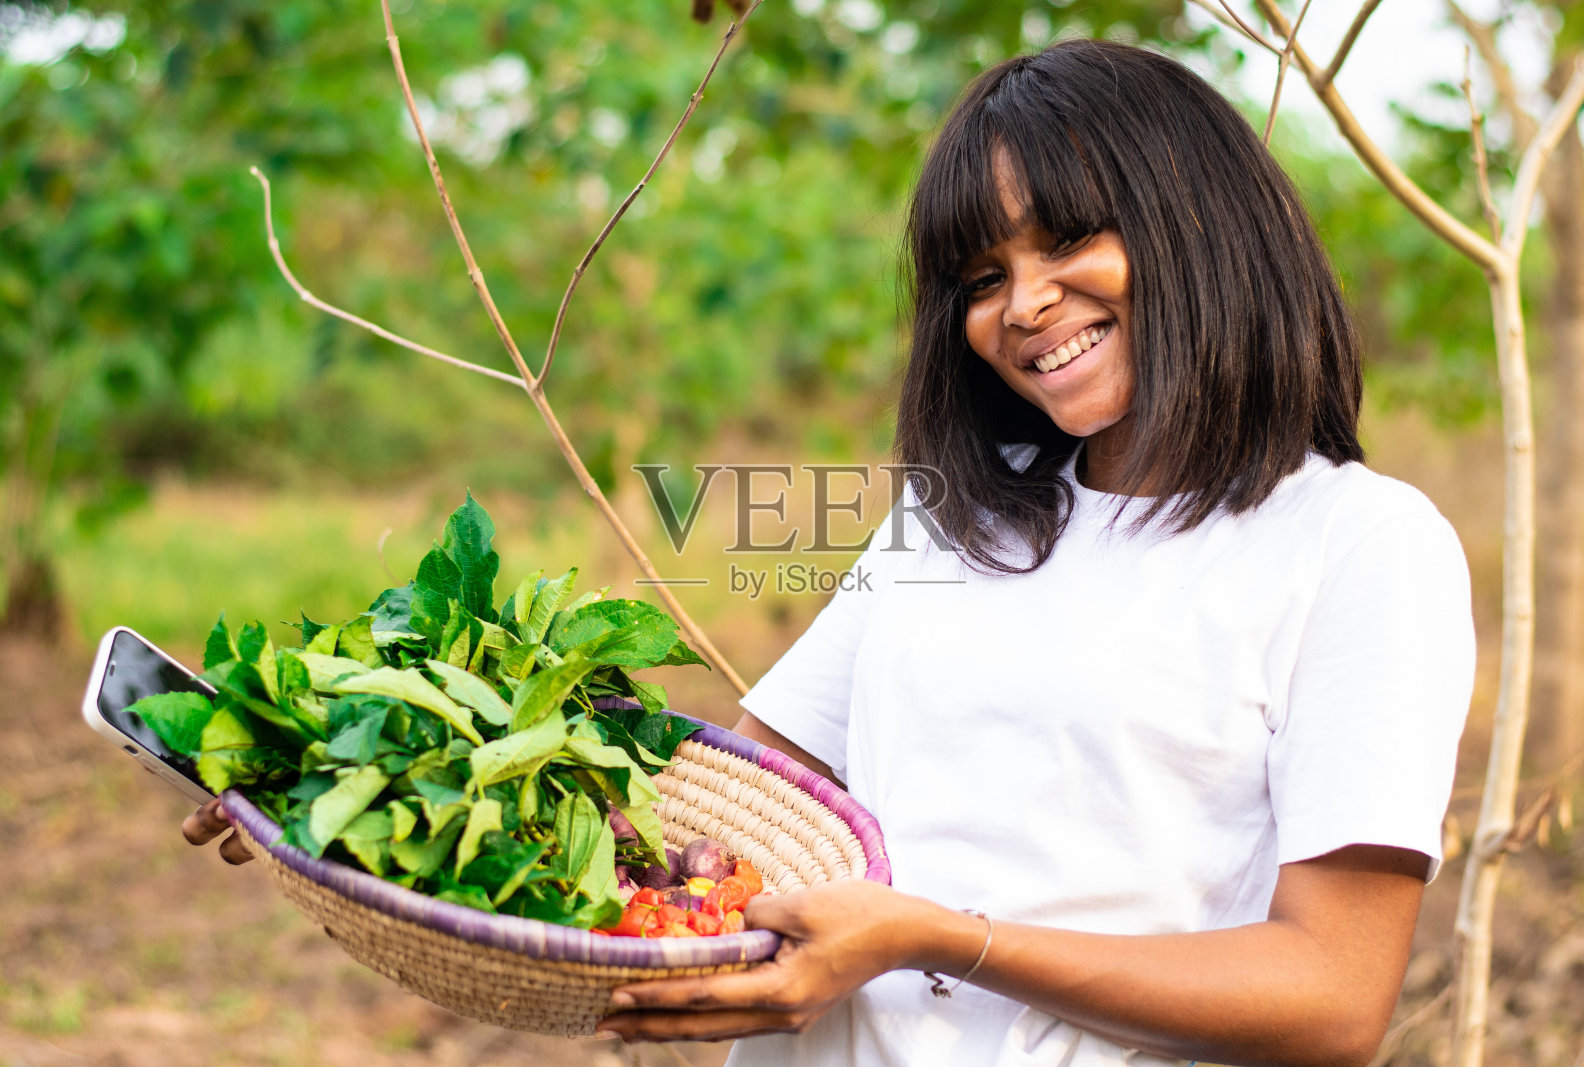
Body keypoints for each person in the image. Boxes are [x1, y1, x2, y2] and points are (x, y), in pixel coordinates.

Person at [184, 38, 1475, 1067]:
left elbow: (1330, 998)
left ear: (1204, 231)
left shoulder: (1357, 548)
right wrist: (353, 793)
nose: (1023, 307)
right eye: (979, 277)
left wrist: (939, 940)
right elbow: (725, 824)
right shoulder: (959, 525)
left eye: (1069, 241)